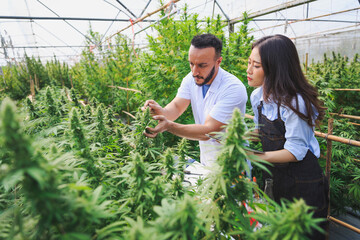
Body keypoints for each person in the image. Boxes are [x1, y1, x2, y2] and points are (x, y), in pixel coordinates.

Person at [247, 34, 328, 239]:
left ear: (275, 68)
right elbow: (266, 130)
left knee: (303, 234)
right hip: (276, 176)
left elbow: (295, 151)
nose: (248, 70)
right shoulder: (258, 96)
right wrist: (236, 136)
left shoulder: (295, 102)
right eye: (249, 63)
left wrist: (253, 156)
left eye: (256, 66)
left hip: (303, 183)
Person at [142, 33, 248, 167]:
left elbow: (208, 131)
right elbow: (177, 107)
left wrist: (168, 126)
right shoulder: (191, 79)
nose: (194, 71)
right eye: (191, 64)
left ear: (218, 62)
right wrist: (160, 111)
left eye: (202, 65)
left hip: (233, 165)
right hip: (208, 160)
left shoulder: (233, 88)